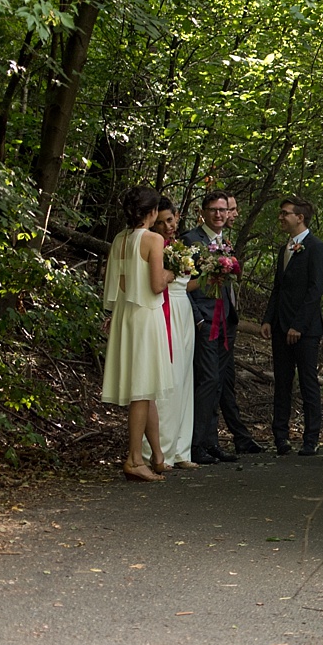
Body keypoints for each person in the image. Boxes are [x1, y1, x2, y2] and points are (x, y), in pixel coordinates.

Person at [181, 190, 264, 463]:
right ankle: (195, 445)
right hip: (205, 320)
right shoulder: (192, 241)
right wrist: (197, 318)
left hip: (225, 320)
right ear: (202, 212)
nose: (219, 214)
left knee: (217, 384)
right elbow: (182, 286)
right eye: (213, 210)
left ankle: (211, 441)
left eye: (222, 210)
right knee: (207, 381)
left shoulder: (224, 241)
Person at [102, 186, 174, 483]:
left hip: (124, 315)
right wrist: (174, 272)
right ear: (152, 212)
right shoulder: (153, 239)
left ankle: (156, 456)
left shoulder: (119, 239)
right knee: (142, 392)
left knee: (146, 389)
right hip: (145, 315)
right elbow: (157, 285)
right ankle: (134, 459)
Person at [261, 196, 323, 456]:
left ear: (300, 217)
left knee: (308, 382)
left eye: (285, 213)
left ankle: (311, 438)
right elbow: (278, 288)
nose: (281, 217)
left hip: (306, 329)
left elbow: (316, 290)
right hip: (280, 326)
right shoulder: (285, 249)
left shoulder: (317, 248)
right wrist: (268, 319)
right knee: (282, 382)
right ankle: (280, 436)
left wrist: (299, 325)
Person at [150, 200, 200, 470]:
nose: (169, 226)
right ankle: (161, 450)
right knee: (166, 379)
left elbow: (185, 285)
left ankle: (182, 449)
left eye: (171, 220)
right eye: (162, 222)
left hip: (183, 312)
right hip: (164, 311)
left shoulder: (179, 248)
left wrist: (212, 276)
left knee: (183, 377)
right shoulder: (153, 246)